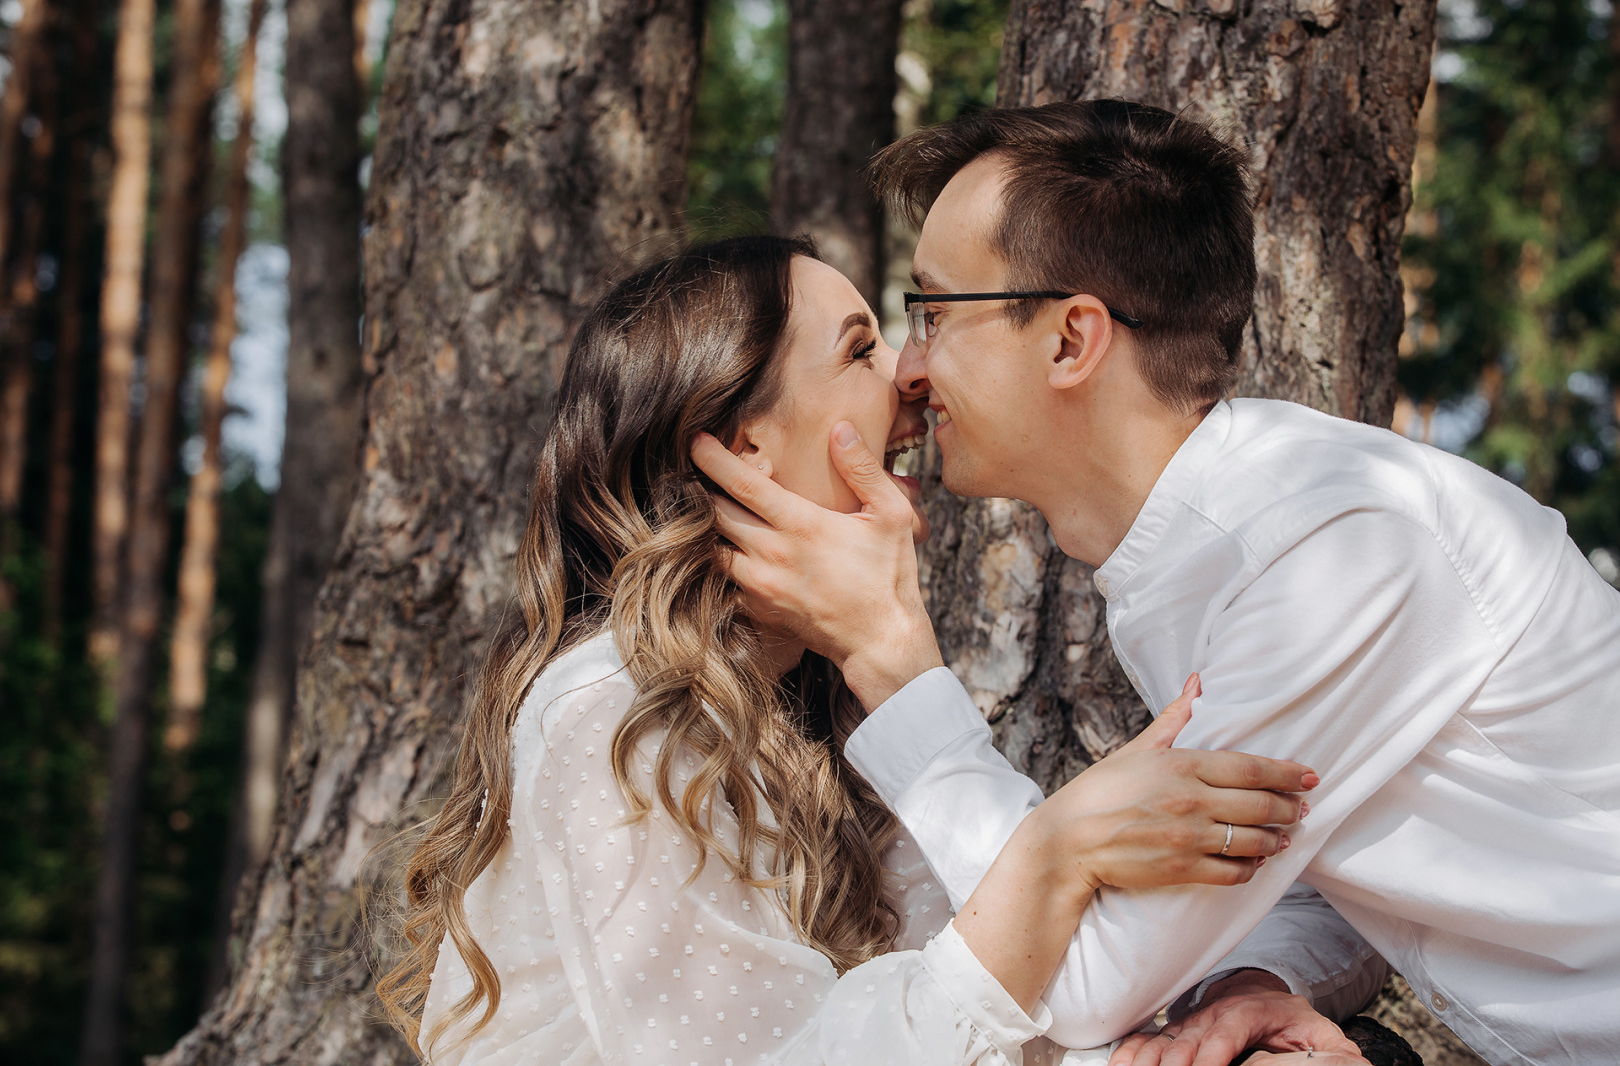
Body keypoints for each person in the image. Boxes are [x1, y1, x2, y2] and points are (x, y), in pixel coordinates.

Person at [692, 101, 1620, 1066]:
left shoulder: (1324, 552)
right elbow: (1329, 859)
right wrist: (1248, 979)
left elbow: (1077, 984)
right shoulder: (1204, 546)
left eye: (932, 313)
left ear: (1070, 341)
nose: (911, 370)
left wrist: (889, 657)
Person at [375, 236, 1331, 1066]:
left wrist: (1220, 1016)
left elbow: (1001, 1015)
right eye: (861, 349)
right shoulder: (612, 712)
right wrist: (1051, 857)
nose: (910, 378)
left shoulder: (818, 704)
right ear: (745, 449)